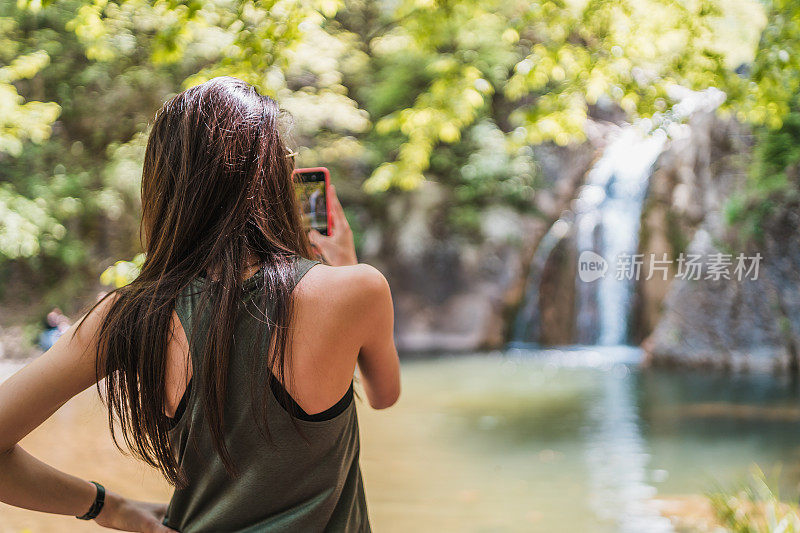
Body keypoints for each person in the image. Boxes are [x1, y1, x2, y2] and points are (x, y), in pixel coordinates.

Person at [0, 76, 400, 532]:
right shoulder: (356, 290)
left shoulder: (128, 317)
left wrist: (111, 509)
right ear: (271, 179)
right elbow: (384, 395)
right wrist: (343, 262)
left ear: (165, 189)